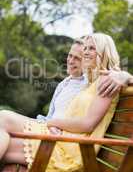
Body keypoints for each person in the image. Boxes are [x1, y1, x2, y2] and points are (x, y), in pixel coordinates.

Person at [0, 33, 120, 172]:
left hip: (73, 149)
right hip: (64, 140)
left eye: (91, 48)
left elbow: (87, 124)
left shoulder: (108, 80)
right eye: (85, 48)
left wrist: (51, 123)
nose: (86, 52)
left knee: (3, 118)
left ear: (104, 51)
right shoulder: (94, 81)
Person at [37, 40, 87, 123]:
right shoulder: (63, 84)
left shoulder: (88, 85)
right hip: (46, 127)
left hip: (59, 134)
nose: (70, 61)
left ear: (86, 61)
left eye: (77, 58)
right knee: (7, 116)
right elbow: (49, 117)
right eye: (70, 55)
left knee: (7, 119)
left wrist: (115, 75)